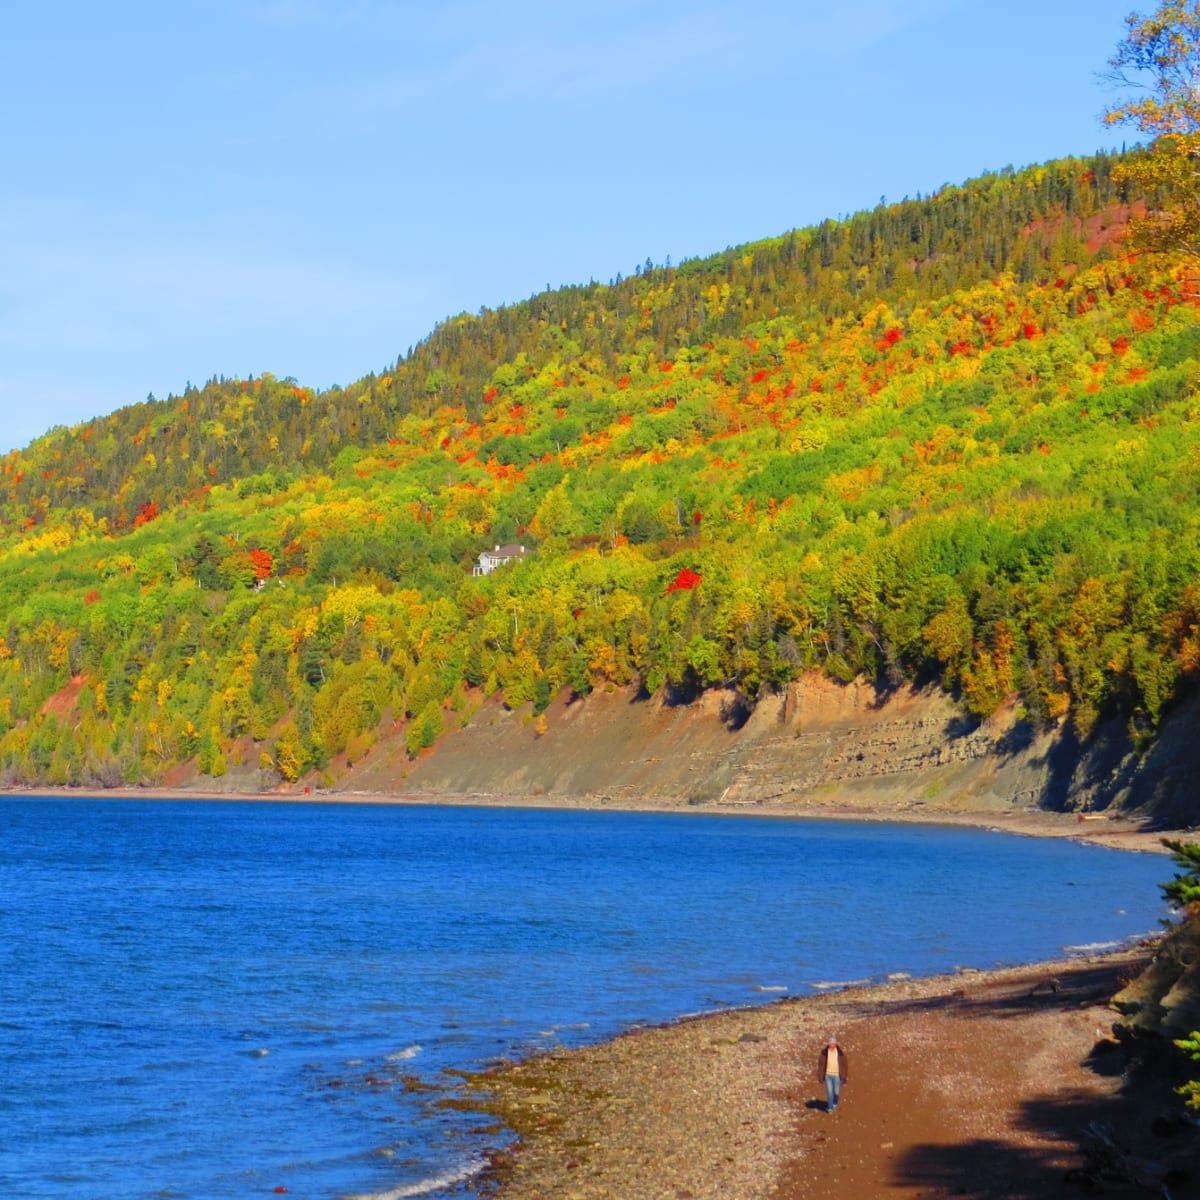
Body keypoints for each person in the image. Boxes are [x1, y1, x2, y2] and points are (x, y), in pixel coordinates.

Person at [816, 1036, 849, 1112]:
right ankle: (830, 1108)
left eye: (833, 1044)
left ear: (835, 1044)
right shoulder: (824, 1053)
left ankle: (834, 1103)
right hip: (828, 1075)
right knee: (829, 1092)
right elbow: (820, 1065)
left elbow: (845, 1065)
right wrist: (820, 1076)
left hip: (837, 1076)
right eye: (830, 1044)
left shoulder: (840, 1053)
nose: (832, 1045)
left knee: (836, 1092)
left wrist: (844, 1078)